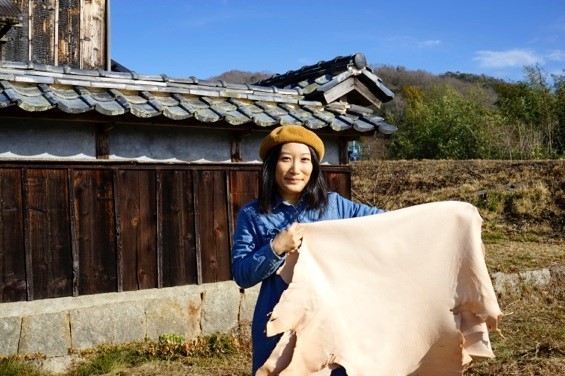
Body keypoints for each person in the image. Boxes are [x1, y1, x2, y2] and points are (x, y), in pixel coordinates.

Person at [231, 125, 385, 375]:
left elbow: (385, 223)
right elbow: (241, 274)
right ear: (272, 165)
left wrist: (438, 217)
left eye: (304, 160)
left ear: (313, 167)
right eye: (286, 159)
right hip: (278, 323)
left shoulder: (334, 205)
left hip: (333, 320)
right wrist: (275, 248)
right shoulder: (253, 214)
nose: (296, 169)